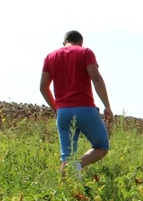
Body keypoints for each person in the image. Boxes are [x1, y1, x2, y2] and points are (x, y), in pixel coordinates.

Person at [40, 30, 113, 177]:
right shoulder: (85, 52)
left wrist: (56, 108)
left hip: (63, 112)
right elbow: (97, 79)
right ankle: (77, 166)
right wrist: (107, 106)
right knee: (101, 146)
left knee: (66, 157)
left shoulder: (50, 57)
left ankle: (67, 192)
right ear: (81, 42)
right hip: (85, 109)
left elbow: (43, 87)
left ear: (64, 43)